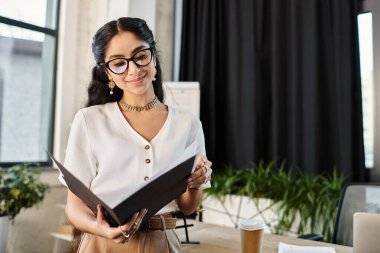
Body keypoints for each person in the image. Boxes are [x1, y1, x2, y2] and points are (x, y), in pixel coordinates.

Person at [59, 17, 212, 253]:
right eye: (119, 63)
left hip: (163, 243)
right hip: (103, 244)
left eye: (140, 56)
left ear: (153, 55)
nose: (134, 69)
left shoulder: (187, 123)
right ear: (107, 72)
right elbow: (75, 207)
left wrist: (196, 184)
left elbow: (188, 207)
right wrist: (101, 229)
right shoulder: (89, 121)